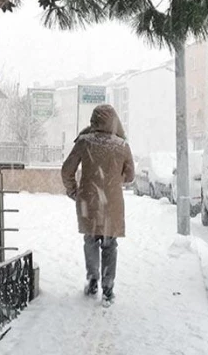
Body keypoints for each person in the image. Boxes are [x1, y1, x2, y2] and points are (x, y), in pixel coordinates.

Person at [61, 104, 135, 304]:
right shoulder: (121, 145)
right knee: (110, 245)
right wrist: (113, 178)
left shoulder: (84, 142)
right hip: (112, 204)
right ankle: (108, 287)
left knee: (91, 240)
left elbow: (67, 170)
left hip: (89, 201)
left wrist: (74, 191)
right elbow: (130, 177)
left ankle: (93, 278)